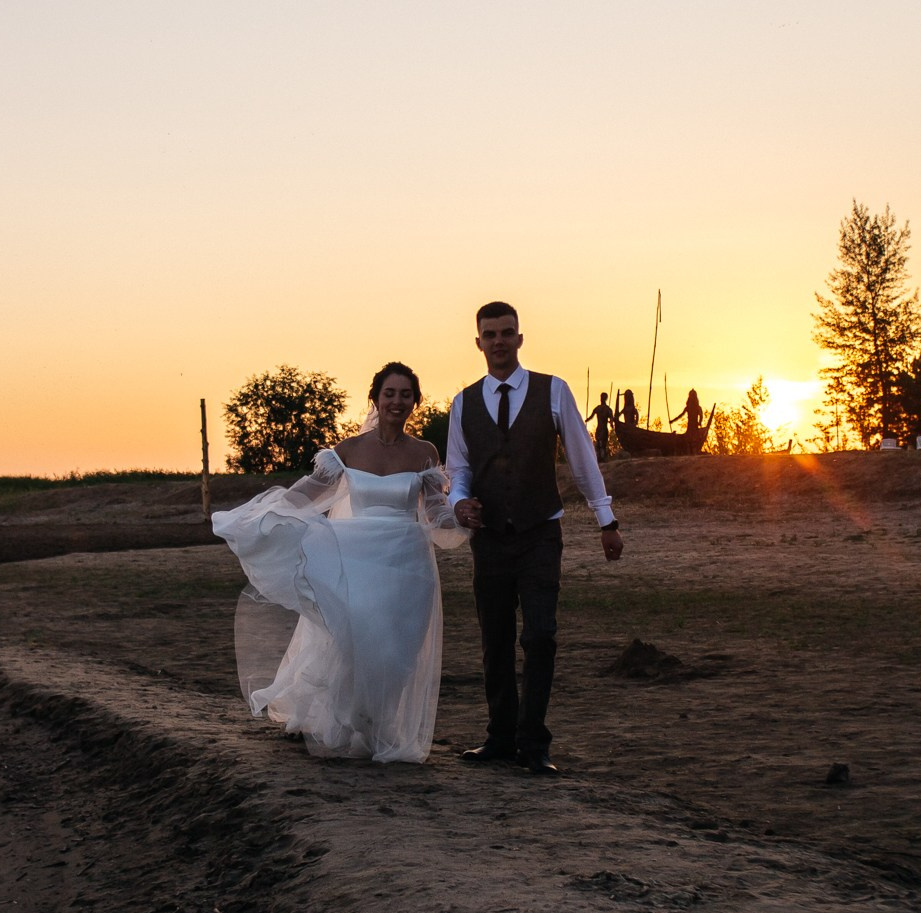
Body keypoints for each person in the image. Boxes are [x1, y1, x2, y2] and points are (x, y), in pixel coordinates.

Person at [210, 362, 468, 762]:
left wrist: (461, 518)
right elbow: (309, 493)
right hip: (357, 558)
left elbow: (435, 512)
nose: (397, 402)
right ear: (375, 398)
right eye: (390, 393)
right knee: (357, 641)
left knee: (398, 651)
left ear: (414, 402)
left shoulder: (424, 453)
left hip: (407, 563)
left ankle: (378, 726)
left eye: (405, 395)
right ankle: (354, 720)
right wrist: (270, 516)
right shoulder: (346, 451)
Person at [446, 302, 623, 776]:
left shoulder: (553, 391)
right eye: (490, 334)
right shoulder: (463, 403)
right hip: (489, 539)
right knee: (495, 639)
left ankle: (534, 742)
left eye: (507, 333)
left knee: (540, 635)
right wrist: (458, 504)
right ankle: (501, 738)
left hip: (540, 532)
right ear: (478, 342)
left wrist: (606, 522)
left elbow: (583, 459)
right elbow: (458, 472)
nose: (499, 341)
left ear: (520, 339)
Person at [589, 391, 616, 458]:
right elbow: (591, 417)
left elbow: (611, 418)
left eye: (603, 397)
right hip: (600, 428)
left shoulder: (607, 409)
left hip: (603, 428)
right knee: (599, 444)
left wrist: (611, 423)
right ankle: (599, 457)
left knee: (602, 444)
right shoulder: (600, 408)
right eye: (601, 397)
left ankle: (602, 457)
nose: (601, 399)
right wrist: (586, 420)